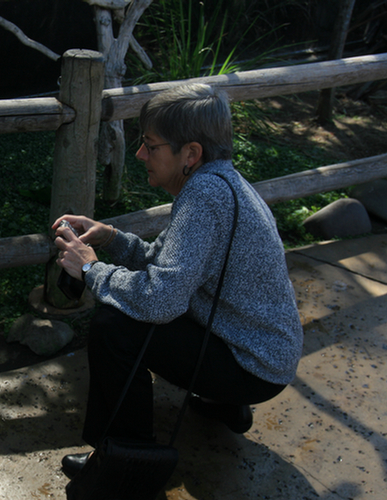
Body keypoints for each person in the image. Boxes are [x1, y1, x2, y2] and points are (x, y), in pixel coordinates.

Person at [52, 83, 304, 478]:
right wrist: (110, 239)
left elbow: (159, 300)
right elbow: (169, 266)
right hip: (264, 353)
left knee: (114, 327)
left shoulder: (204, 197)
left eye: (150, 145)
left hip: (252, 365)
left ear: (191, 154)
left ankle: (126, 461)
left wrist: (90, 269)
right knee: (132, 309)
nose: (139, 154)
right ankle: (224, 404)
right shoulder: (218, 182)